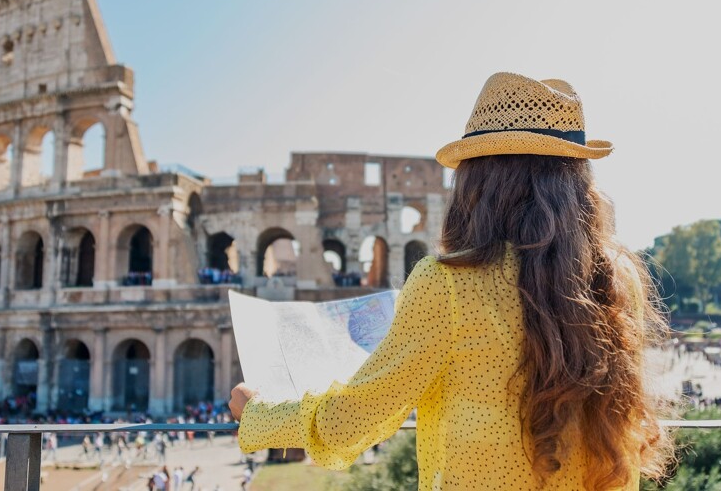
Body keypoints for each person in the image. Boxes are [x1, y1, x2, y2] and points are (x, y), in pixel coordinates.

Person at [229, 73, 675, 490]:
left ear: (477, 181)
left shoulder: (448, 284)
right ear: (578, 180)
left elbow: (358, 417)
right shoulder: (617, 277)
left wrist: (260, 416)